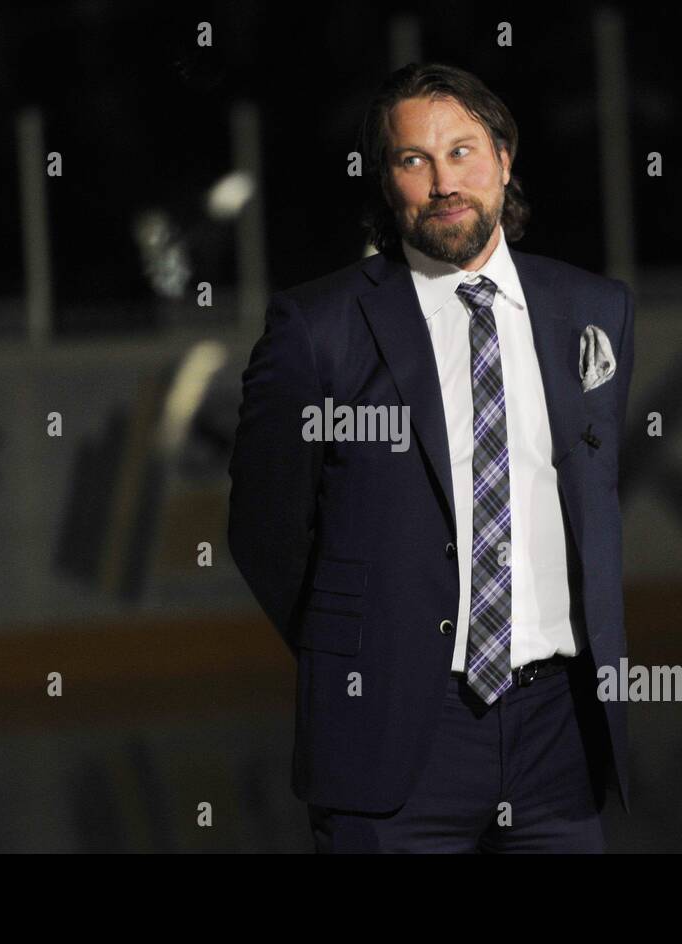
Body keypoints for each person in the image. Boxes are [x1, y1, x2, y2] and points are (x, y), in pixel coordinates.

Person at [227, 62, 635, 853]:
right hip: (392, 738)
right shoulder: (318, 329)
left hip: (561, 735)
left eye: (463, 151)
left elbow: (589, 502)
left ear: (504, 159)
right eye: (414, 159)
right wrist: (361, 651)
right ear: (388, 182)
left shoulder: (595, 312)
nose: (444, 181)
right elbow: (263, 527)